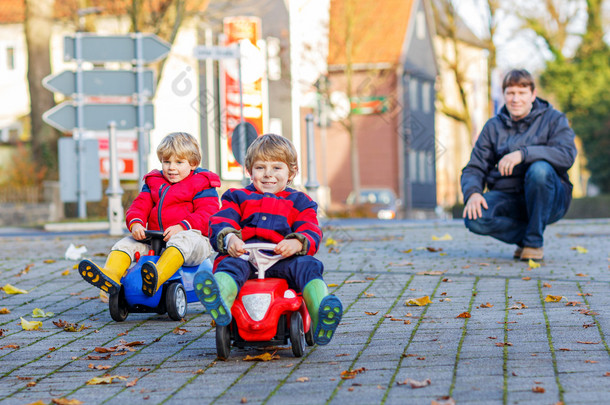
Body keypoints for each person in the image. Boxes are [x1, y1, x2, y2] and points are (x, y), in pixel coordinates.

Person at [193, 134, 342, 345]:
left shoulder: (300, 202)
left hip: (283, 260)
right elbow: (221, 220)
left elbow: (310, 228)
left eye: (276, 168)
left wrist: (297, 242)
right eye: (260, 167)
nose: (268, 175)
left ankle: (321, 314)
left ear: (291, 172)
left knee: (308, 266)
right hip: (245, 257)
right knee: (229, 265)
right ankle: (220, 299)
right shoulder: (236, 197)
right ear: (249, 170)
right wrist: (230, 240)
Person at [78, 132, 221, 297]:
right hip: (157, 242)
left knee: (184, 240)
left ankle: (156, 277)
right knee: (126, 243)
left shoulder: (202, 183)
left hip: (194, 242)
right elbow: (140, 205)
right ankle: (110, 277)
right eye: (166, 162)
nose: (171, 167)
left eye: (179, 162)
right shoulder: (154, 182)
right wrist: (136, 223)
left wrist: (182, 226)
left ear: (193, 164)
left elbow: (208, 213)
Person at [461, 69, 577, 261]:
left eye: (522, 93)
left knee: (540, 169)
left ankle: (533, 242)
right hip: (509, 198)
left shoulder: (554, 120)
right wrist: (472, 192)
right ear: (504, 95)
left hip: (549, 198)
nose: (516, 99)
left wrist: (524, 154)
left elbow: (567, 155)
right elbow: (474, 167)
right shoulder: (493, 127)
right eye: (510, 93)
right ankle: (531, 235)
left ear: (533, 94)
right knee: (474, 217)